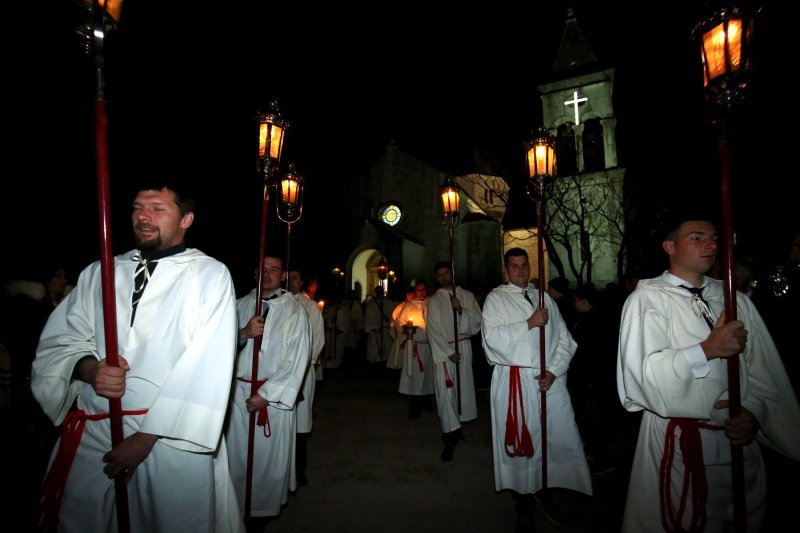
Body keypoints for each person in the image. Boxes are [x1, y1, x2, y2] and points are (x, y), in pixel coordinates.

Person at [31, 180, 244, 532]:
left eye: (158, 209)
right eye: (136, 208)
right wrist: (90, 370)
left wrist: (145, 440)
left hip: (171, 437)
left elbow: (207, 365)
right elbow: (62, 341)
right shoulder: (100, 272)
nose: (143, 216)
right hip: (98, 427)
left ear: (186, 219)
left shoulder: (209, 275)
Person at [616, 215, 800, 532]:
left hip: (738, 449)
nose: (712, 244)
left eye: (714, 237)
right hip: (678, 447)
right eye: (697, 237)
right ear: (669, 246)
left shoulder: (735, 301)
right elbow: (640, 379)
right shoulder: (647, 301)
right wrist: (707, 350)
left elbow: (762, 376)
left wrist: (753, 413)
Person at [481, 248, 591, 527]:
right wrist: (528, 324)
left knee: (551, 436)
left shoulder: (544, 299)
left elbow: (566, 341)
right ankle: (523, 500)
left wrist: (554, 370)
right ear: (507, 269)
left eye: (524, 265)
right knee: (524, 439)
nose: (520, 270)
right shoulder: (496, 299)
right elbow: (492, 340)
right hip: (515, 381)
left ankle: (546, 488)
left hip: (548, 382)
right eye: (514, 266)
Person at [225, 256, 310, 530]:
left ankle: (261, 513)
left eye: (274, 269)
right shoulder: (239, 305)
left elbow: (298, 359)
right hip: (238, 394)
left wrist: (267, 394)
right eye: (263, 269)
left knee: (266, 462)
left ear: (283, 276)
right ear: (255, 273)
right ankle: (238, 508)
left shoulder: (294, 311)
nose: (268, 274)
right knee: (238, 458)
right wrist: (242, 333)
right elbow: (218, 346)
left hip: (271, 399)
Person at [425, 261, 482, 461]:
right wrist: (448, 351)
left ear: (452, 273)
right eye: (439, 274)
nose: (443, 277)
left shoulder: (465, 296)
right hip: (443, 352)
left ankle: (457, 427)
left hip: (464, 347)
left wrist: (461, 310)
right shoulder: (433, 301)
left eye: (446, 273)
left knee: (462, 390)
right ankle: (448, 435)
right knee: (445, 392)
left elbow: (477, 322)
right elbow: (432, 328)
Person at [288, 268, 325, 488]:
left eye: (295, 277)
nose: (291, 280)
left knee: (300, 424)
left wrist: (300, 366)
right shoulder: (277, 304)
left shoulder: (309, 307)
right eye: (289, 276)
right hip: (275, 375)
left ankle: (299, 471)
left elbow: (317, 340)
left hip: (302, 373)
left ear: (301, 281)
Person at [394, 281, 435, 419]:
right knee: (415, 378)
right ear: (415, 291)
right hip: (414, 346)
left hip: (429, 347)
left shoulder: (431, 304)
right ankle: (414, 407)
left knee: (429, 375)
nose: (421, 292)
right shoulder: (409, 306)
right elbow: (400, 323)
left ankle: (427, 401)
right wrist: (407, 330)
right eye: (418, 290)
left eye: (423, 289)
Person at [364, 285, 394, 365]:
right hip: (375, 332)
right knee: (375, 351)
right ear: (375, 293)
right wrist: (376, 328)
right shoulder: (370, 304)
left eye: (381, 292)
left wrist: (387, 318)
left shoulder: (388, 303)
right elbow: (369, 317)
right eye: (377, 292)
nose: (379, 294)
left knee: (387, 350)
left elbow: (393, 316)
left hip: (386, 330)